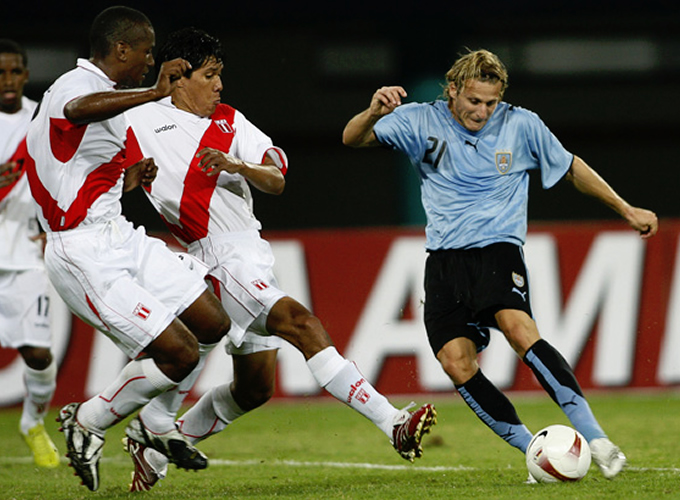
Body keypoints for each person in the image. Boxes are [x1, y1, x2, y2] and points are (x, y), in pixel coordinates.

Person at [120, 27, 437, 492]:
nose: (219, 86)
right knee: (301, 322)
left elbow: (277, 178)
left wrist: (239, 166)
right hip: (216, 255)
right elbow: (107, 169)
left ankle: (155, 443)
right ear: (180, 76)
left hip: (252, 253)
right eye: (209, 76)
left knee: (255, 389)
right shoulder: (140, 119)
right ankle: (392, 422)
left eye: (220, 75)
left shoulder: (230, 120)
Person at [342, 48, 659, 480]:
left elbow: (570, 167)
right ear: (453, 90)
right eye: (474, 101)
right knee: (456, 362)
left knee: (519, 328)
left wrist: (625, 209)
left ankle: (597, 440)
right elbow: (352, 138)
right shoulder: (419, 119)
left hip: (498, 249)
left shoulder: (521, 124)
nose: (482, 112)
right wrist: (373, 112)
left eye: (491, 103)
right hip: (444, 261)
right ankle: (537, 452)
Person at [24, 7, 232, 492]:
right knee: (178, 354)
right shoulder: (73, 87)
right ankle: (89, 421)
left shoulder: (108, 97)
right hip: (82, 252)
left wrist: (124, 180)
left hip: (116, 234)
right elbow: (76, 112)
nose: (149, 60)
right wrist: (157, 92)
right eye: (145, 50)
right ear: (121, 49)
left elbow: (72, 163)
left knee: (211, 322)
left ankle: (153, 425)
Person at [0, 39, 60, 469]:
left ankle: (33, 422)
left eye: (14, 72)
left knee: (38, 354)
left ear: (25, 73)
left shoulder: (41, 118)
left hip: (25, 254)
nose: (7, 81)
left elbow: (59, 176)